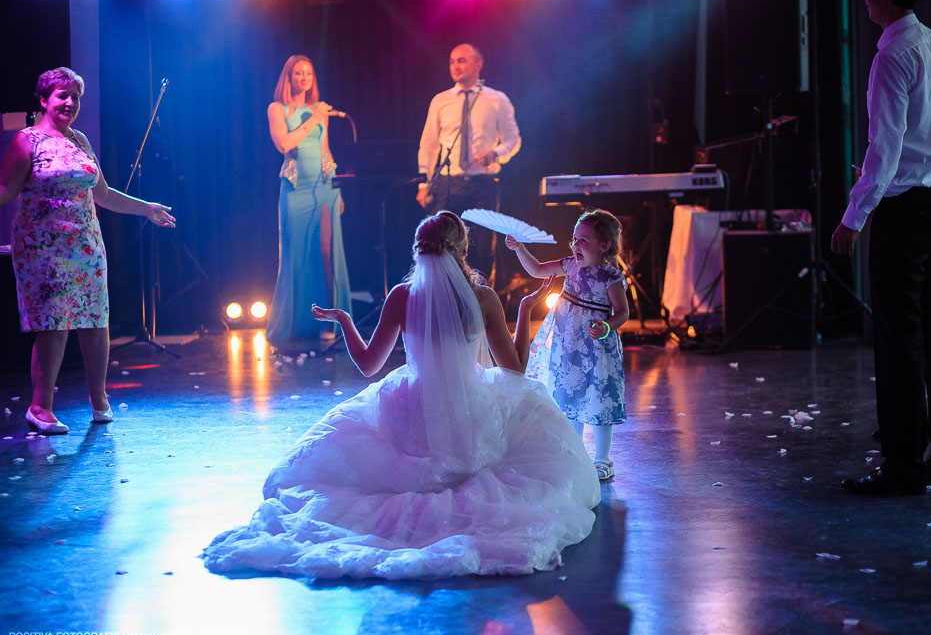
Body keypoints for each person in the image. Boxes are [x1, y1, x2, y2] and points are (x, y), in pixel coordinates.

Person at [202, 211, 601, 579]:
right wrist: (525, 312)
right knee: (529, 407)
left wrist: (344, 320)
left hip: (413, 414)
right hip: (473, 419)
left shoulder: (402, 296)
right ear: (463, 250)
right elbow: (513, 368)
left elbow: (369, 365)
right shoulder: (484, 299)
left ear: (419, 251)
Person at [832, 0, 931, 495]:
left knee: (900, 339)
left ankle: (903, 467)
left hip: (906, 212)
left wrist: (854, 216)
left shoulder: (894, 53)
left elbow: (885, 145)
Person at [0, 67, 176, 434]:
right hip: (42, 248)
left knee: (96, 322)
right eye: (62, 95)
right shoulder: (27, 141)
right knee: (54, 325)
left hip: (86, 245)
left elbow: (104, 194)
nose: (69, 103)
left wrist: (147, 208)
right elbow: (5, 190)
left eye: (75, 97)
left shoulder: (80, 141)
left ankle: (100, 400)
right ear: (45, 100)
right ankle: (40, 407)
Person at [506, 209, 629, 481]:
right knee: (570, 395)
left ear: (604, 245)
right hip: (570, 344)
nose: (575, 246)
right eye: (574, 240)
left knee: (597, 397)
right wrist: (519, 248)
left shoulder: (611, 277)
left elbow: (622, 311)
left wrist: (607, 325)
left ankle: (602, 459)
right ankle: (575, 452)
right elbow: (537, 269)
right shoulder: (569, 265)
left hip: (596, 346)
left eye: (583, 241)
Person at [265, 55, 351, 348]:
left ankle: (333, 320)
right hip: (295, 187)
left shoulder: (319, 110)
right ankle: (296, 321)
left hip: (325, 185)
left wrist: (338, 187)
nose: (303, 78)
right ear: (288, 77)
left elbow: (325, 149)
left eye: (308, 74)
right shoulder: (277, 108)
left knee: (327, 251)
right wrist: (313, 118)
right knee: (296, 254)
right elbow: (284, 144)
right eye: (298, 73)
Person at [416, 44, 521, 282]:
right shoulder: (441, 101)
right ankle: (446, 302)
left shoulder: (496, 99)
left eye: (462, 61)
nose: (456, 66)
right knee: (442, 246)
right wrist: (423, 184)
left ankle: (482, 308)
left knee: (482, 249)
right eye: (452, 61)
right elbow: (429, 144)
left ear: (478, 65)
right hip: (448, 184)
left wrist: (495, 153)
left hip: (482, 184)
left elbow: (513, 139)